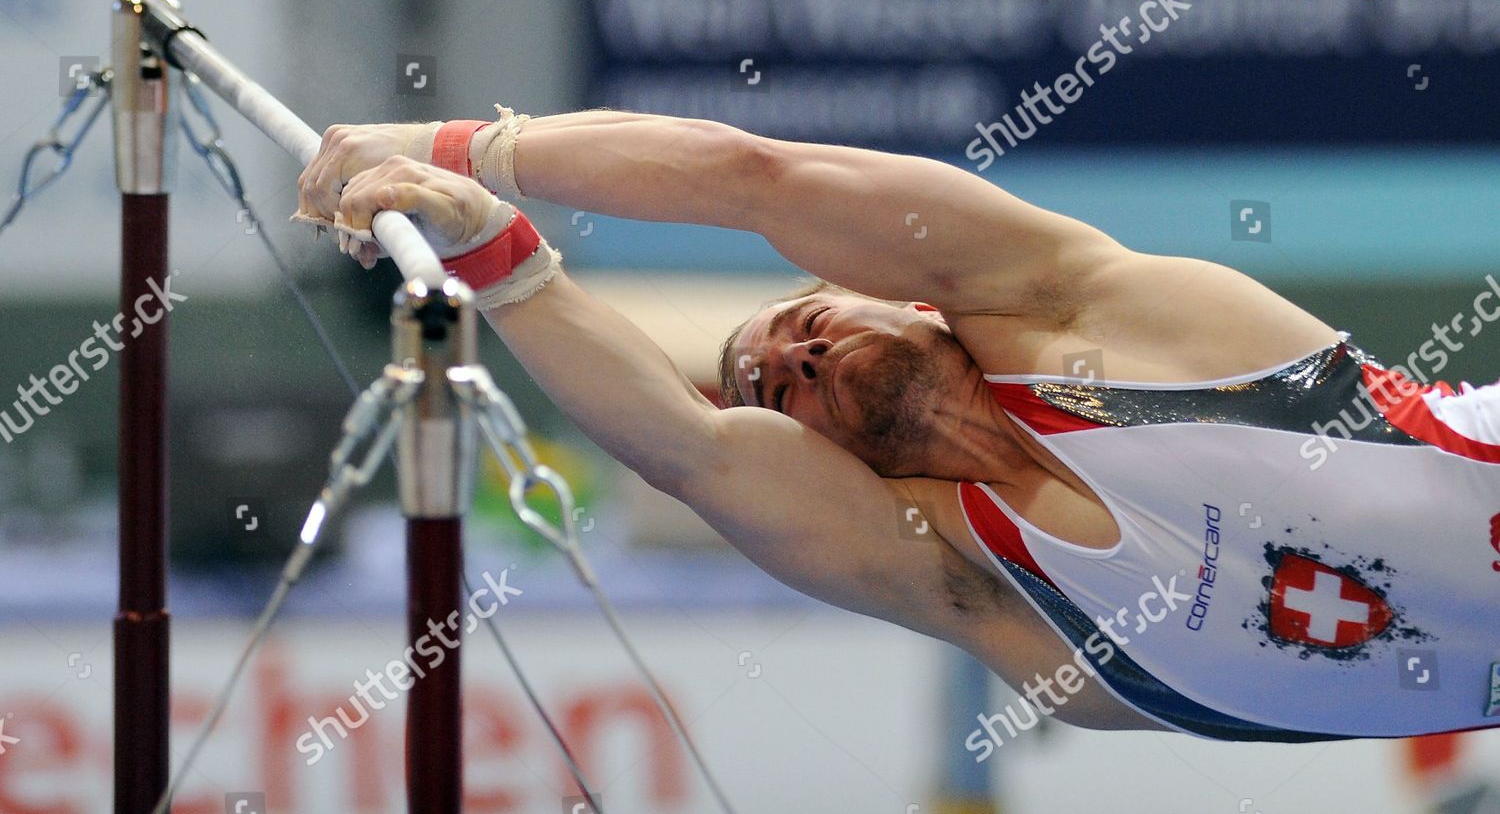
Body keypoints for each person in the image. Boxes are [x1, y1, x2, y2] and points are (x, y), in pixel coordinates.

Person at [297, 108, 1500, 742]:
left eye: (803, 317)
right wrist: (487, 249)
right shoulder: (966, 580)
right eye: (775, 383)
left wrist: (446, 147)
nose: (794, 351)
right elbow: (683, 447)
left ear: (899, 292)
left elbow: (747, 174)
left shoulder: (1082, 301)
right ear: (814, 452)